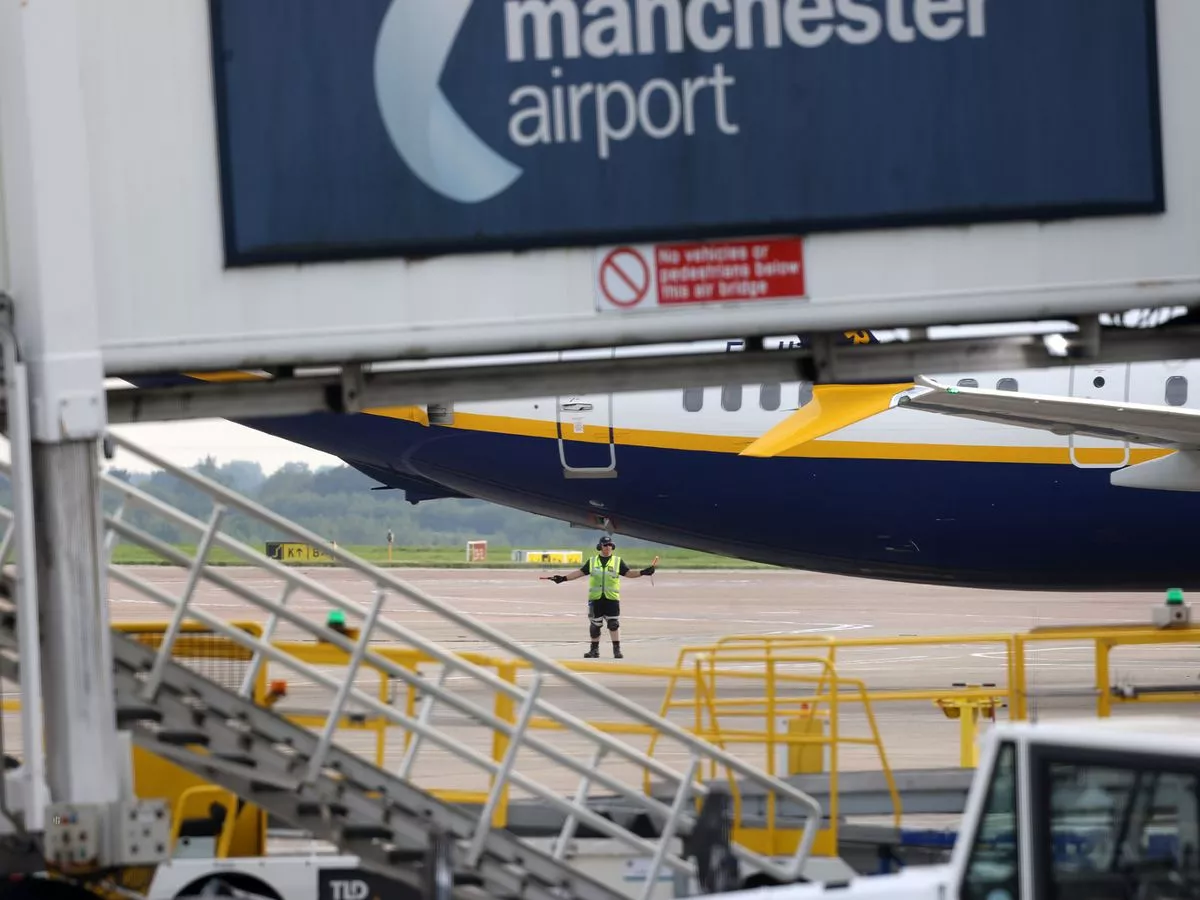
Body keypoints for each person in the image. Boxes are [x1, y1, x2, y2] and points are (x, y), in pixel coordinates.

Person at [544, 536, 658, 659]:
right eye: (605, 545)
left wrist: (643, 572)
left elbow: (628, 574)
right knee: (595, 626)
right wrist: (563, 578)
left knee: (613, 624)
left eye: (610, 545)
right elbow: (580, 572)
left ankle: (617, 650)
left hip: (611, 598)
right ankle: (594, 650)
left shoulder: (617, 561)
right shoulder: (592, 561)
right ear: (600, 547)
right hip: (595, 599)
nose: (608, 547)